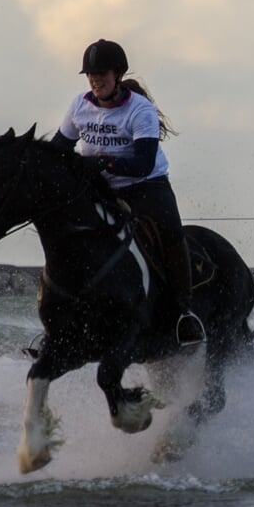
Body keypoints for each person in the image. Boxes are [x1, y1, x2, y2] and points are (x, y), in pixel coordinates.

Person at [54, 39, 205, 346]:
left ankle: (183, 313)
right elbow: (60, 148)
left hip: (146, 186)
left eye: (102, 73)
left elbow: (142, 162)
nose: (96, 79)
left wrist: (103, 162)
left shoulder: (140, 110)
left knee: (172, 234)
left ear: (118, 74)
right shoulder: (78, 106)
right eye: (91, 74)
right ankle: (60, 315)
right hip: (99, 188)